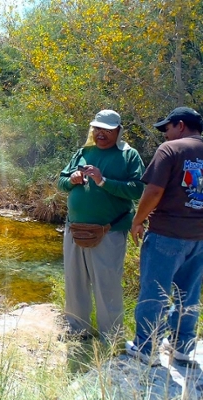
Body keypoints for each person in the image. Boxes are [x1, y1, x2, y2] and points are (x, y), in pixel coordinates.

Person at [58, 110, 145, 341]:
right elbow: (61, 182)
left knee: (107, 285)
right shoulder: (82, 153)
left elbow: (138, 189)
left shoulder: (129, 156)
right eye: (97, 129)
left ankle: (111, 337)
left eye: (107, 130)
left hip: (109, 231)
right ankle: (77, 330)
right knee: (75, 282)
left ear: (118, 131)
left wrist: (102, 181)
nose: (101, 134)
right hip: (74, 229)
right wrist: (72, 179)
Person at [126, 107, 203, 366]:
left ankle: (145, 348)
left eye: (167, 128)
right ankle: (183, 347)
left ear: (180, 125)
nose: (165, 135)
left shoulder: (171, 150)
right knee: (188, 294)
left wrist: (137, 220)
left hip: (167, 234)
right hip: (200, 238)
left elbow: (154, 191)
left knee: (154, 292)